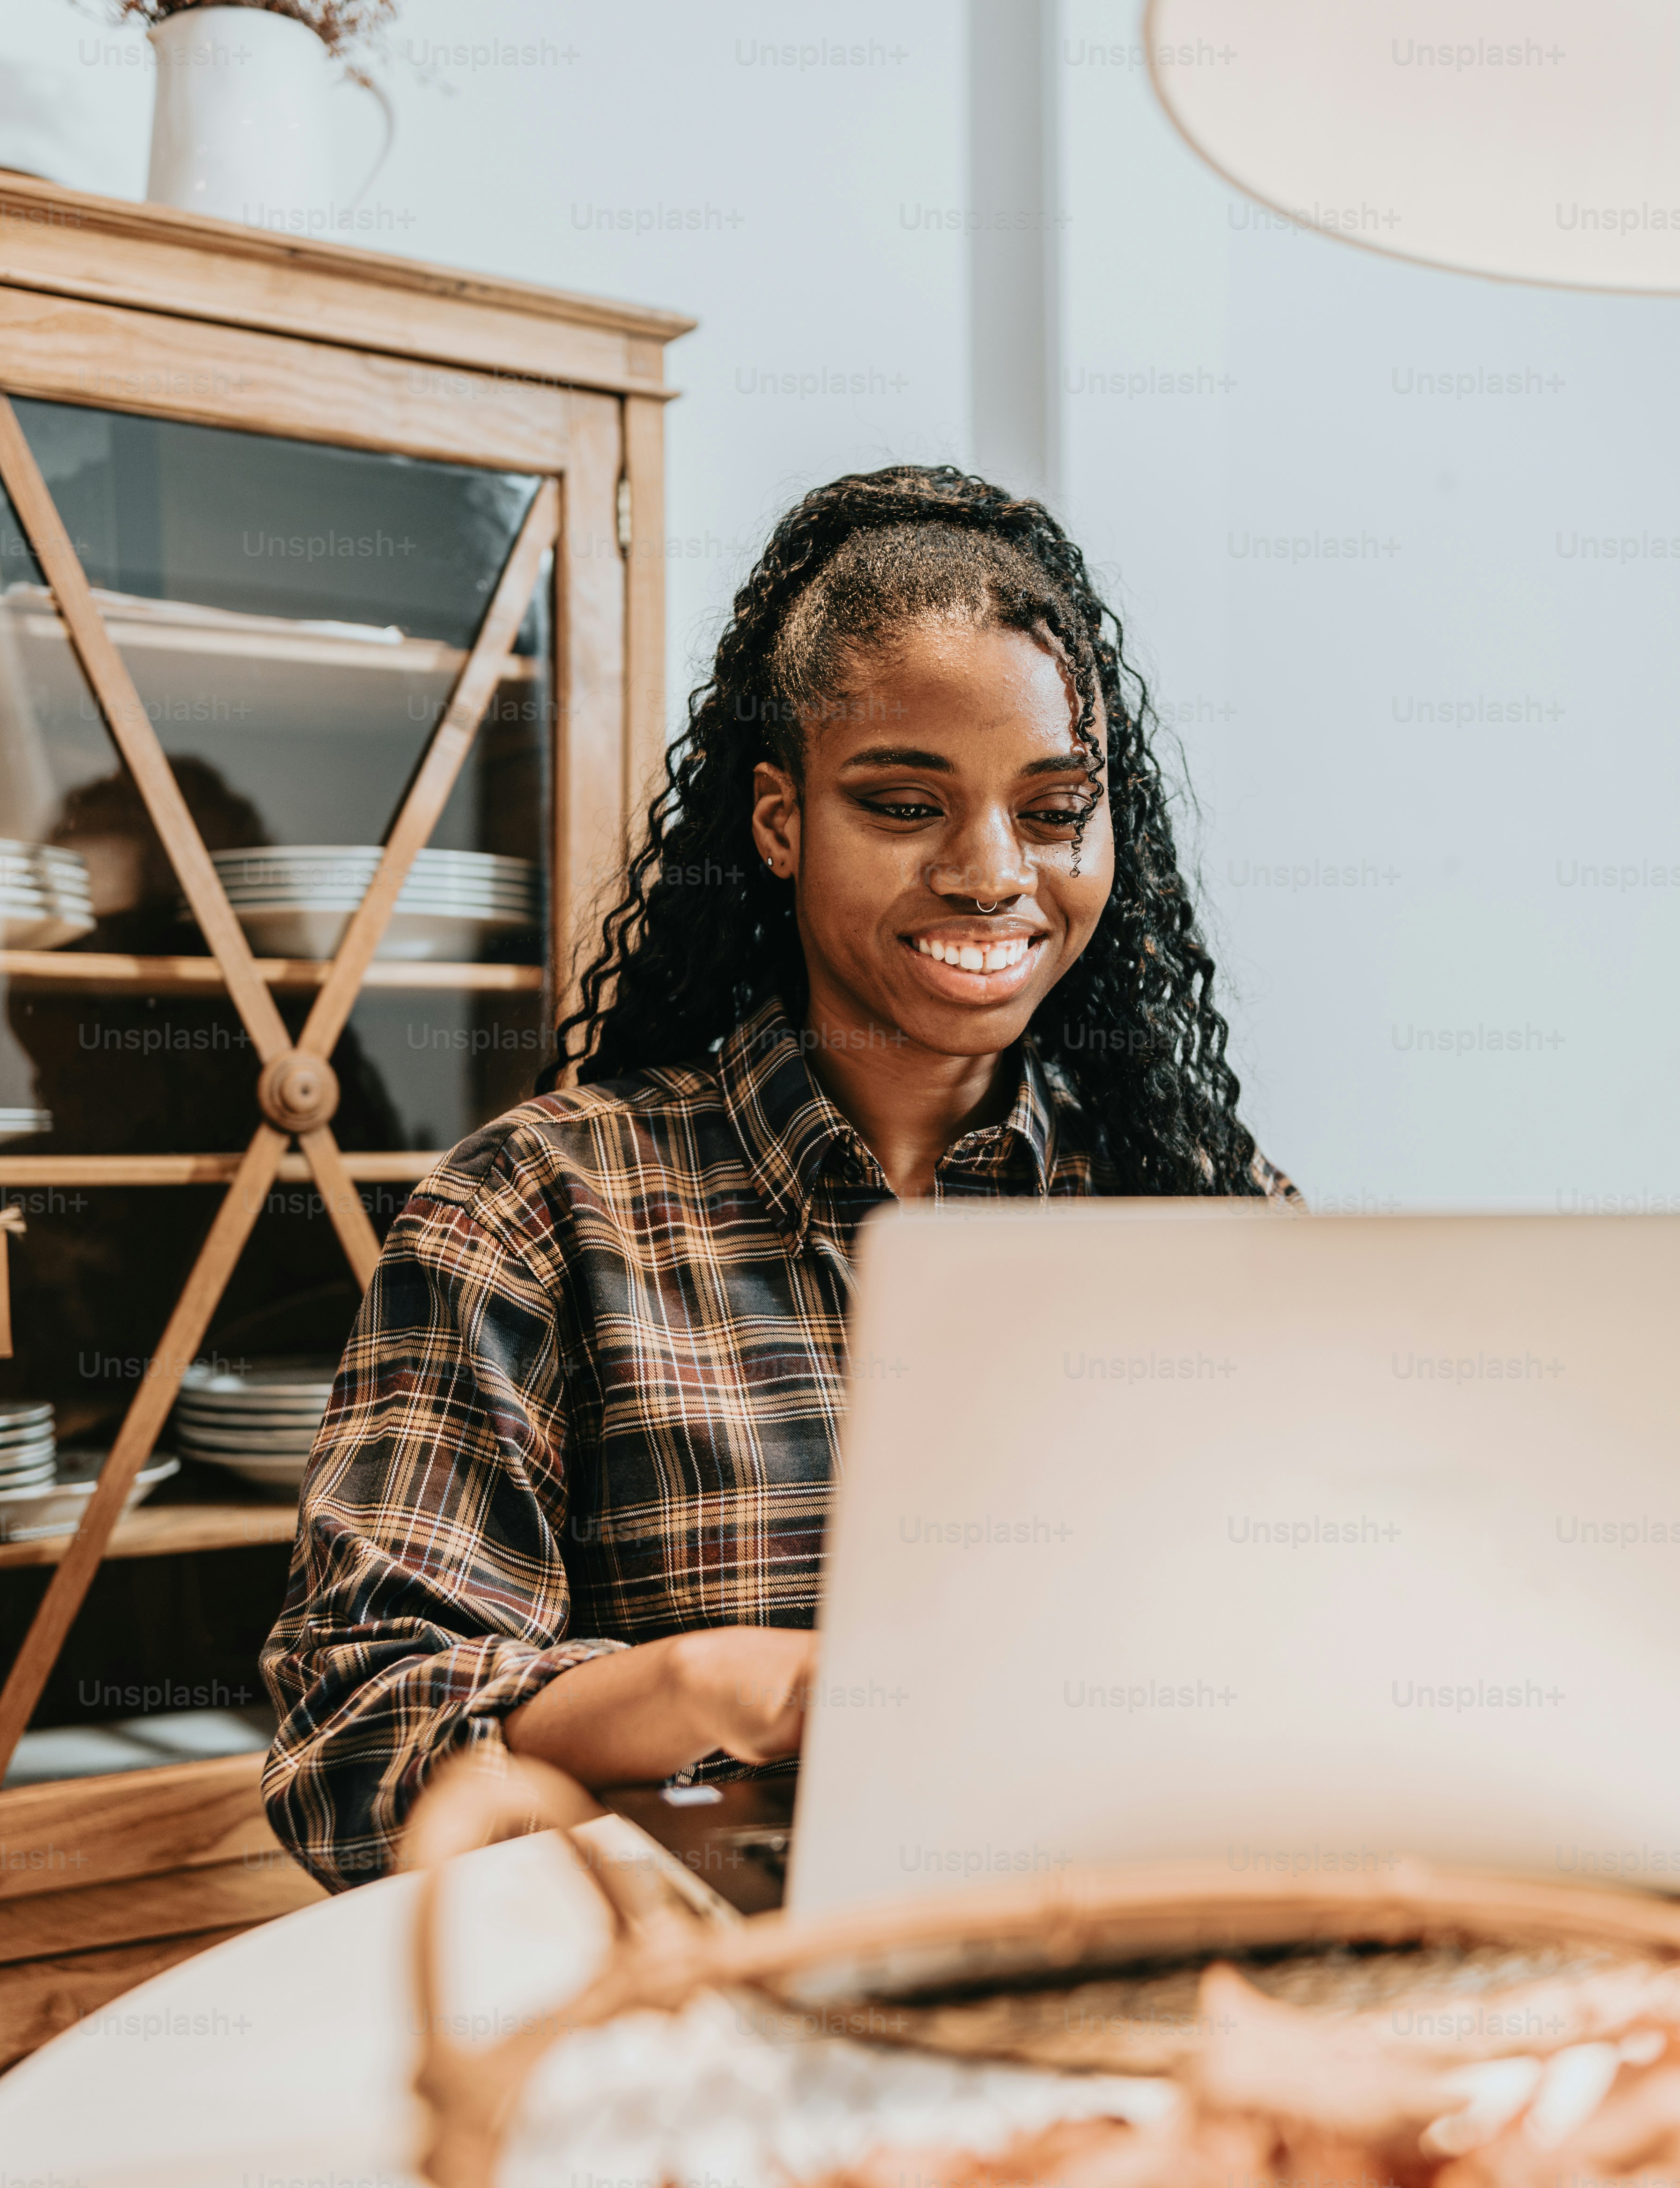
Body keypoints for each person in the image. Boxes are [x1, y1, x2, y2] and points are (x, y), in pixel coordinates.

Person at [258, 466, 1293, 1889]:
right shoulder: (540, 1212)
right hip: (699, 2031)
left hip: (1139, 1955)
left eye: (1056, 810)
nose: (995, 873)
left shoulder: (1198, 1203)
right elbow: (349, 1748)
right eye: (904, 803)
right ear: (779, 819)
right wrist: (701, 1692)